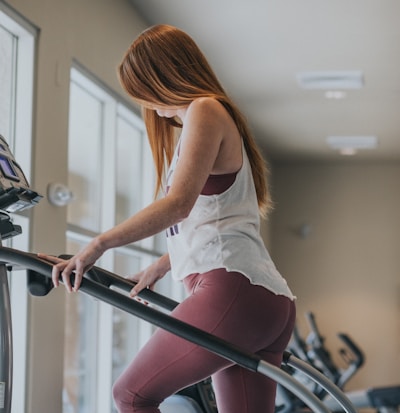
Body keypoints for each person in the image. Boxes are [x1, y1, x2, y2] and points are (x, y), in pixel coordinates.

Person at [39, 24, 296, 413]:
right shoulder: (212, 115)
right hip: (269, 302)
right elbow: (216, 219)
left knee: (131, 396)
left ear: (164, 77)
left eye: (144, 89)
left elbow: (179, 204)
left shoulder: (204, 109)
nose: (146, 102)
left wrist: (98, 244)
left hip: (233, 293)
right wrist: (161, 265)